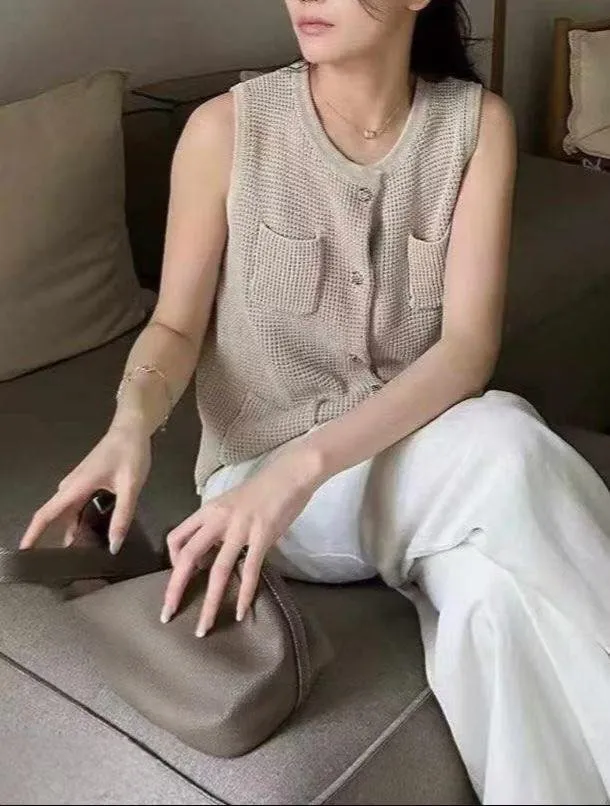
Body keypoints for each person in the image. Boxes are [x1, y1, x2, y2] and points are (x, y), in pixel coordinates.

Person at [21, 1, 610, 802]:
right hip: (261, 497)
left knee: (491, 603)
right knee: (508, 439)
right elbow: (174, 325)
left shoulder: (477, 126)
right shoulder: (227, 130)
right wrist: (132, 424)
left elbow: (466, 351)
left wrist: (302, 468)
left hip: (407, 465)